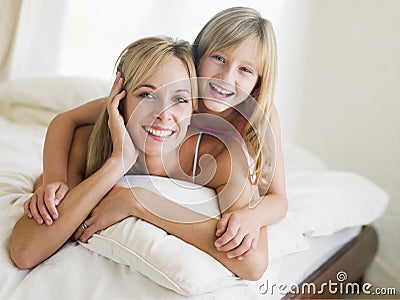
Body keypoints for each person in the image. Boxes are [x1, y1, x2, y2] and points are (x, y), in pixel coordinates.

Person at [26, 6, 287, 261]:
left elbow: (278, 199)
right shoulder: (174, 96)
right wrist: (53, 178)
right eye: (218, 58)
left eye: (245, 70)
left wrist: (253, 217)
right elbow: (66, 119)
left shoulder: (259, 116)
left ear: (259, 81)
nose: (226, 78)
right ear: (197, 57)